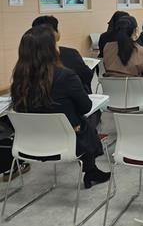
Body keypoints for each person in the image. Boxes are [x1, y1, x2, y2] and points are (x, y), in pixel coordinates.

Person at [10, 26, 110, 188]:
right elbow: (85, 106)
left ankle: (91, 170)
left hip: (30, 143)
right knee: (86, 120)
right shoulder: (66, 76)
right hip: (67, 142)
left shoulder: (19, 79)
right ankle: (91, 170)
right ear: (49, 50)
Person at [32, 16, 94, 93]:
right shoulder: (70, 54)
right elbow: (86, 75)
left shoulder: (28, 57)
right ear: (54, 33)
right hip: (71, 97)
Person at [103, 16, 143, 86]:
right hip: (136, 90)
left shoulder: (107, 47)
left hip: (111, 89)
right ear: (135, 30)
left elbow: (106, 67)